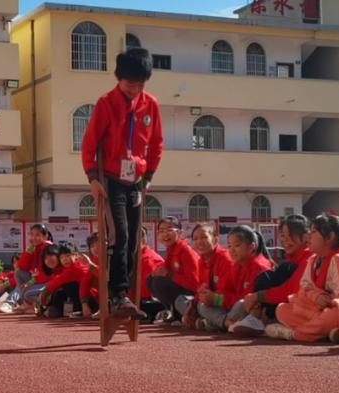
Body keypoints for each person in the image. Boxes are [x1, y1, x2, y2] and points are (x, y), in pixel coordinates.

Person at [81, 47, 164, 317]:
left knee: (133, 241)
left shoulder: (150, 104)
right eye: (129, 84)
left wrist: (149, 175)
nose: (134, 89)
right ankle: (117, 294)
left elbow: (156, 143)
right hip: (111, 179)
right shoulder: (106, 103)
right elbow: (89, 144)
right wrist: (93, 178)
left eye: (139, 84)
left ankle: (126, 294)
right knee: (119, 234)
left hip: (136, 180)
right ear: (118, 78)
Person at [266, 214, 339, 342]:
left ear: (330, 237)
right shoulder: (313, 260)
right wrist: (316, 297)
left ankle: (294, 334)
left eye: (314, 232)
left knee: (331, 316)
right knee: (282, 309)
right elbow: (304, 287)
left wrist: (323, 300)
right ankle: (329, 332)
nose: (309, 236)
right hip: (320, 308)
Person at [234, 215, 313, 337]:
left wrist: (256, 297)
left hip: (303, 306)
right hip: (282, 304)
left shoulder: (309, 258)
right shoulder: (292, 261)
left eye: (290, 235)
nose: (285, 240)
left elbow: (291, 290)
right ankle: (255, 318)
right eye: (282, 236)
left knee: (278, 306)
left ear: (306, 236)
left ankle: (257, 319)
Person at [197, 226, 274, 332]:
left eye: (237, 245)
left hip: (247, 308)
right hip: (231, 306)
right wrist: (210, 297)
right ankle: (226, 323)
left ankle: (216, 322)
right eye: (229, 246)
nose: (232, 250)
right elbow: (224, 289)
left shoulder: (259, 267)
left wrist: (218, 299)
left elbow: (248, 301)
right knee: (202, 305)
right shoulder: (236, 265)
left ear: (251, 247)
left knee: (240, 304)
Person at [147, 217, 200, 325]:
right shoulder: (171, 250)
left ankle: (181, 315)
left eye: (169, 230)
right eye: (161, 231)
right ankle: (174, 313)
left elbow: (195, 283)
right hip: (182, 290)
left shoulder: (185, 251)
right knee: (150, 280)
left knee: (159, 282)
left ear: (180, 233)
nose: (165, 234)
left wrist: (169, 274)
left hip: (193, 293)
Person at [180, 223, 232, 330]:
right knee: (180, 301)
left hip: (226, 303)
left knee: (202, 307)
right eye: (195, 239)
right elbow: (201, 288)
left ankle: (226, 323)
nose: (199, 241)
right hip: (210, 303)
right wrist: (193, 303)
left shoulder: (225, 259)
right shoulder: (201, 261)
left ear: (215, 240)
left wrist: (209, 298)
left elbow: (227, 292)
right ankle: (209, 322)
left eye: (204, 237)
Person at [7, 223, 53, 313]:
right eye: (32, 234)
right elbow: (22, 267)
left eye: (37, 235)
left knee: (26, 291)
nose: (33, 237)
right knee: (18, 273)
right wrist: (28, 251)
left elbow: (44, 272)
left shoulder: (48, 248)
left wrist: (29, 283)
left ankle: (26, 303)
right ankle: (28, 305)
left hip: (47, 281)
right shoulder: (35, 248)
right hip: (37, 280)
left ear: (45, 236)